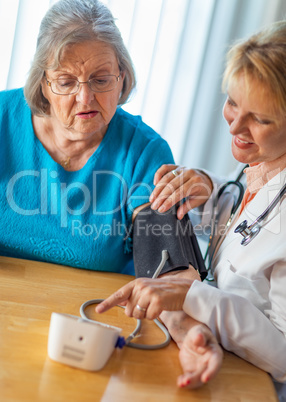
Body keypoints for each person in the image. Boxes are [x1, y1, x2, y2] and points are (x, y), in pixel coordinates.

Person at [96, 20, 286, 394]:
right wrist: (209, 187)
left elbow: (283, 355)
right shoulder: (262, 163)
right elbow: (247, 230)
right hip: (214, 357)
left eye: (260, 119)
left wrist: (189, 296)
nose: (235, 127)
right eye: (232, 102)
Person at [0, 0, 174, 275]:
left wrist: (174, 277)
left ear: (122, 77)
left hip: (92, 311)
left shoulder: (145, 153)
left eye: (101, 80)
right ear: (43, 84)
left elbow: (164, 265)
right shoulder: (3, 119)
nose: (85, 98)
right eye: (66, 82)